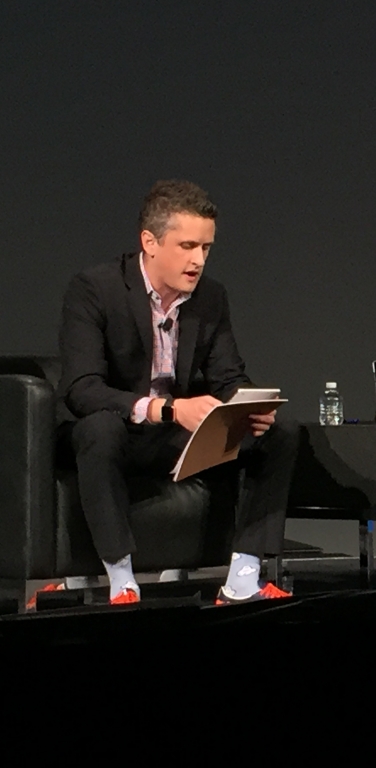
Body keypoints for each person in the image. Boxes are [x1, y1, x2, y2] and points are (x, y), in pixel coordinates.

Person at [52, 179, 300, 605]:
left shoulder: (211, 297)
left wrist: (248, 407)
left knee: (280, 433)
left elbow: (227, 376)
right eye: (187, 246)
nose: (198, 260)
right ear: (149, 242)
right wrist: (165, 410)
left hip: (175, 435)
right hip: (118, 430)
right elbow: (81, 389)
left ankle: (243, 576)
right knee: (99, 430)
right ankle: (122, 581)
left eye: (205, 247)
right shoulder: (96, 289)